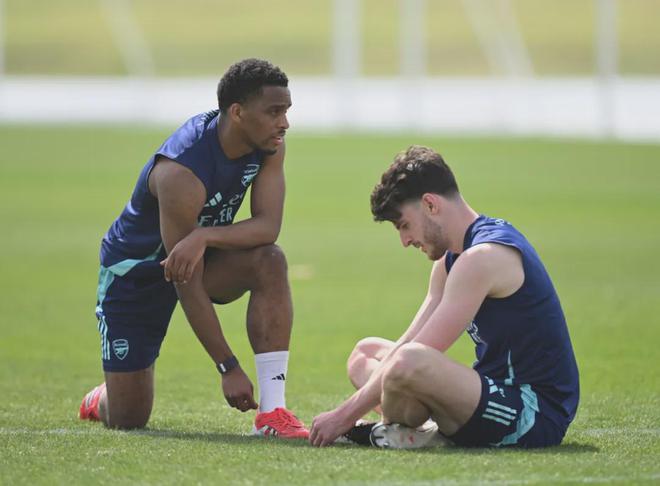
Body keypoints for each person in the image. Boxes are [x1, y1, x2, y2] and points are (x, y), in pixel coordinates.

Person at [79, 58, 309, 439]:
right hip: (136, 272)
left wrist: (204, 237)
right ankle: (104, 396)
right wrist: (227, 366)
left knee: (271, 260)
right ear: (237, 112)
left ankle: (273, 411)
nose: (284, 123)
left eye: (286, 111)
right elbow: (185, 278)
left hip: (197, 254)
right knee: (128, 417)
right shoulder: (182, 172)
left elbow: (268, 226)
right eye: (273, 112)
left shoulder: (270, 145)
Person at [309, 145, 579, 448]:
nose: (405, 240)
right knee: (365, 355)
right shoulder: (448, 263)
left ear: (430, 204)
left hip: (532, 413)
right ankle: (418, 432)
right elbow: (409, 342)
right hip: (488, 395)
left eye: (404, 225)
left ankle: (413, 433)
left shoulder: (482, 258)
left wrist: (343, 416)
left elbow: (417, 354)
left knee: (407, 362)